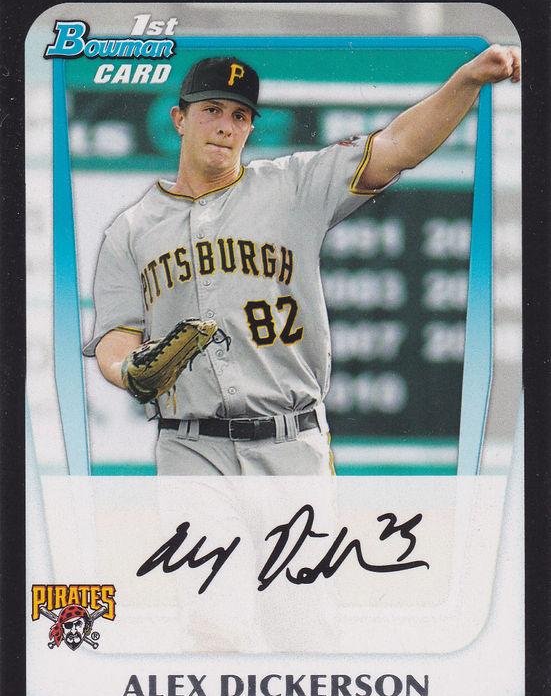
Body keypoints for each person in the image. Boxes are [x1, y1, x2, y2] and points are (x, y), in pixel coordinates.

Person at [83, 47, 520, 476]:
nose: (225, 126)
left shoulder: (291, 186)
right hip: (190, 449)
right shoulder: (131, 229)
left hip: (290, 441)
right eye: (211, 110)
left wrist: (468, 79)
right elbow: (116, 337)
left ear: (250, 128)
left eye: (239, 116)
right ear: (179, 119)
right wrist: (128, 371)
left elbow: (397, 146)